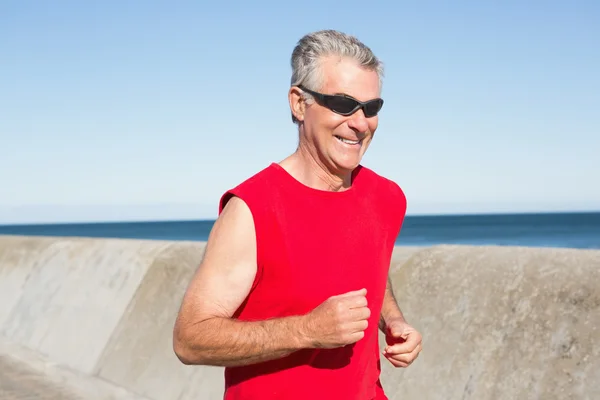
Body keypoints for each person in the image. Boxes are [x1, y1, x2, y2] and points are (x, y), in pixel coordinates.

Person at [173, 29, 422, 400]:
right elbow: (190, 339)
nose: (360, 122)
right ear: (299, 103)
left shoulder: (387, 198)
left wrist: (393, 321)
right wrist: (307, 330)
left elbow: (373, 271)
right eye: (342, 104)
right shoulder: (252, 209)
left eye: (371, 108)